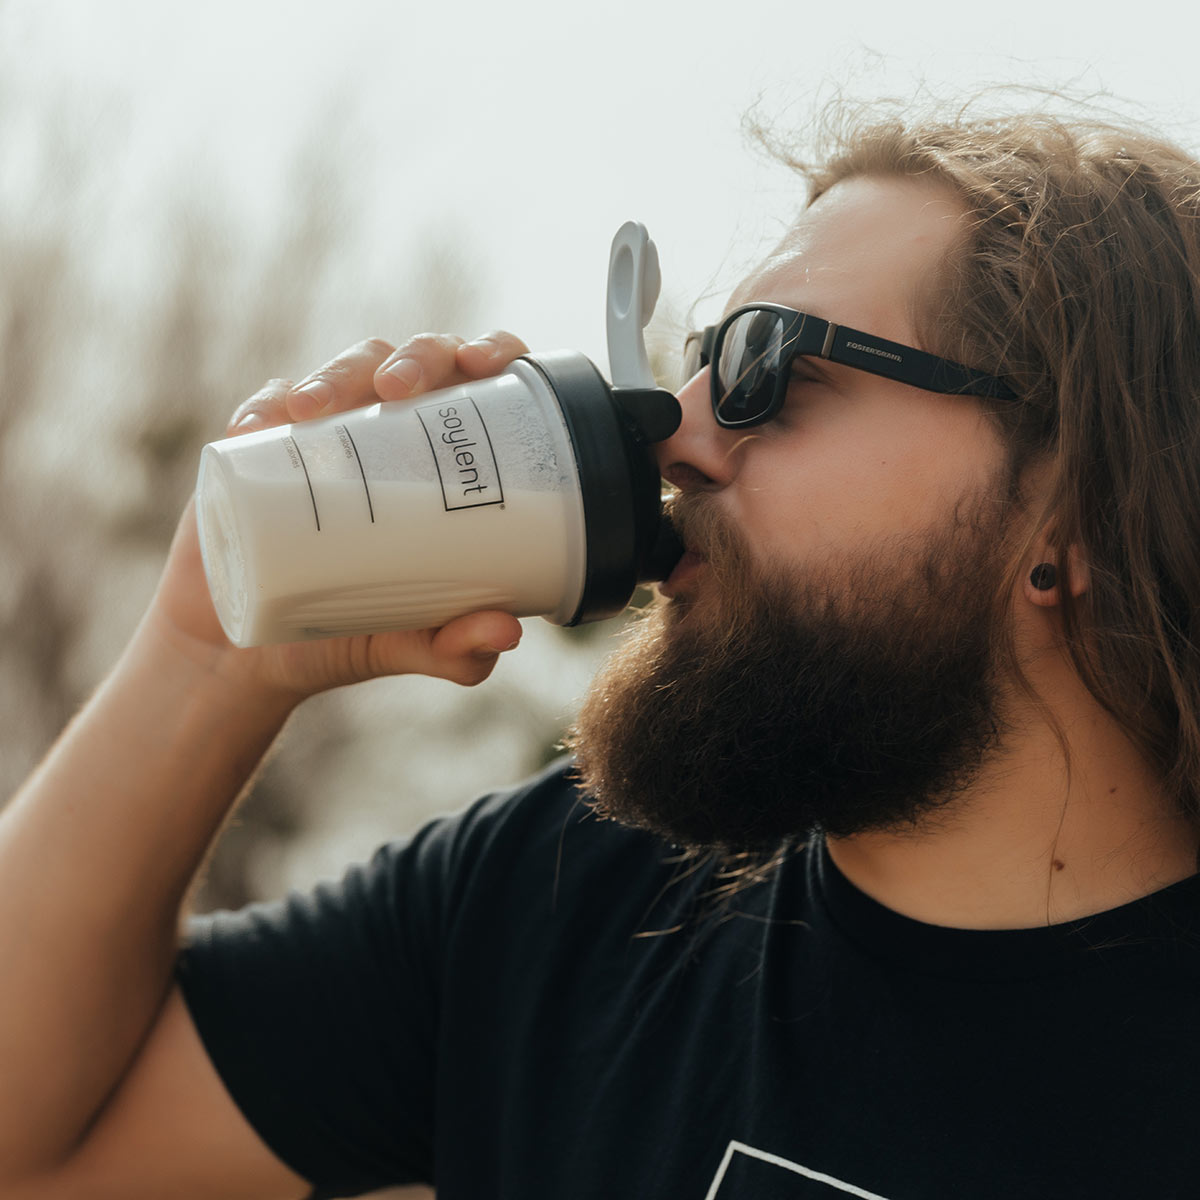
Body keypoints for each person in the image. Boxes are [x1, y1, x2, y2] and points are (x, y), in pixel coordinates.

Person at [4, 98, 1200, 1200]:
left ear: (1073, 513)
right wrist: (210, 652)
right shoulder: (569, 896)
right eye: (694, 354)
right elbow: (37, 1148)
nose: (674, 431)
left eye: (766, 367)